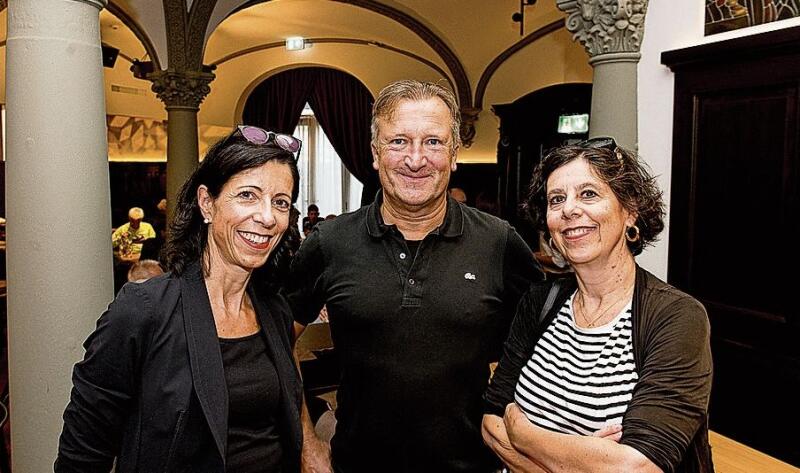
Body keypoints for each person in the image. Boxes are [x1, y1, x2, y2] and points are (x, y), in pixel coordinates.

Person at [286, 80, 543, 473]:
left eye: (434, 142)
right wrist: (306, 443)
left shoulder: (499, 242)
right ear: (375, 154)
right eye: (399, 142)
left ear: (454, 154)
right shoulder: (330, 242)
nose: (416, 159)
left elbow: (548, 347)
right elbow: (274, 342)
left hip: (476, 465)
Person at [56, 125, 305, 472]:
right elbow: (83, 452)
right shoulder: (143, 311)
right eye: (248, 195)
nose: (267, 217)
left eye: (281, 203)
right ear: (207, 203)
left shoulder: (274, 310)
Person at [482, 138, 713, 473]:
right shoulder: (540, 302)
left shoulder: (676, 318)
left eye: (588, 194)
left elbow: (636, 466)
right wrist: (579, 460)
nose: (570, 210)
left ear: (630, 209)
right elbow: (491, 421)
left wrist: (523, 434)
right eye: (556, 199)